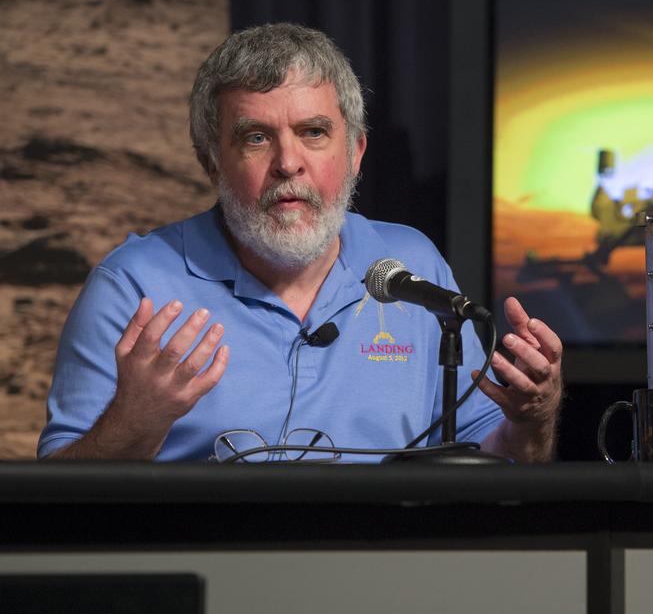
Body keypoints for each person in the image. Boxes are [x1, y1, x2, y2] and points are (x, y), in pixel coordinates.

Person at [39, 23, 562, 462]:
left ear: (355, 151)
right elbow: (57, 503)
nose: (288, 164)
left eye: (313, 132)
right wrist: (136, 420)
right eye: (256, 137)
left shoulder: (411, 264)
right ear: (211, 163)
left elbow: (494, 460)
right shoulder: (134, 284)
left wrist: (531, 422)